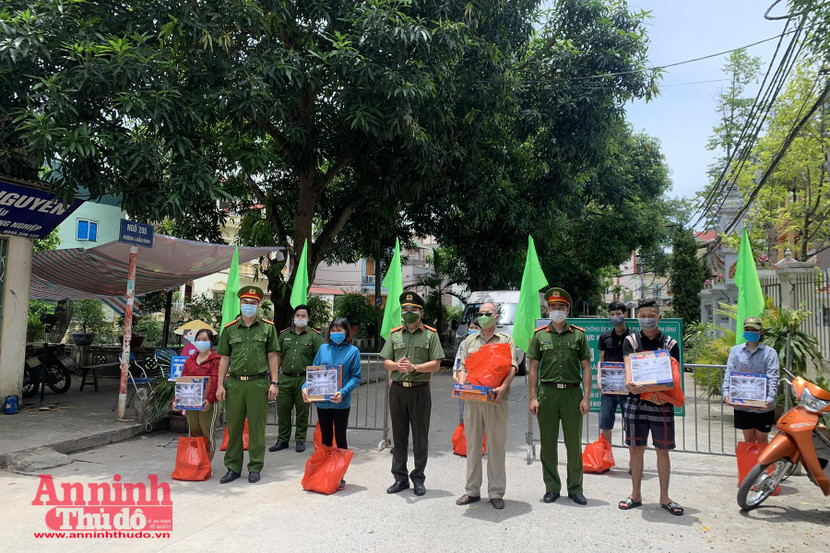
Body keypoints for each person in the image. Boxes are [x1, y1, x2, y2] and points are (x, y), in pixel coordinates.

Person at [618, 298, 683, 515]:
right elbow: (629, 373)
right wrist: (631, 385)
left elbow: (674, 377)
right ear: (638, 317)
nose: (647, 320)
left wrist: (661, 395)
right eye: (643, 316)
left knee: (662, 449)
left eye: (651, 316)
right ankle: (635, 494)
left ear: (659, 317)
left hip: (662, 404)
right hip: (635, 402)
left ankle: (665, 497)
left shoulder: (670, 344)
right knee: (636, 449)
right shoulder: (631, 341)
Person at [527, 287, 591, 506]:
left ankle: (575, 488)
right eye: (553, 307)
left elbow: (587, 368)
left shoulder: (578, 335)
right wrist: (533, 397)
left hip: (573, 393)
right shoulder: (539, 336)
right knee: (548, 443)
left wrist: (586, 397)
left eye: (560, 307)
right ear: (547, 309)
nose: (557, 310)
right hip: (548, 393)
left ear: (567, 308)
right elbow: (533, 368)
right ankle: (551, 487)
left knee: (574, 444)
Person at [380, 291, 444, 496]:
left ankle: (418, 478)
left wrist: (414, 367)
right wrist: (397, 365)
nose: (408, 312)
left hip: (420, 391)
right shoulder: (395, 334)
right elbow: (386, 361)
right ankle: (400, 478)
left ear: (421, 312)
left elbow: (436, 364)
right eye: (405, 309)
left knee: (420, 436)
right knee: (399, 437)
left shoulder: (430, 335)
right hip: (398, 390)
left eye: (413, 309)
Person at [455, 302, 518, 510]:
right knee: (472, 445)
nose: (483, 317)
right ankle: (472, 491)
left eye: (487, 314)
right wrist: (462, 382)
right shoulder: (469, 341)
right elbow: (463, 366)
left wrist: (503, 387)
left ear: (496, 316)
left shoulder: (506, 340)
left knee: (496, 446)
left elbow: (512, 366)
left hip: (495, 400)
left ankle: (496, 492)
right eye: (480, 314)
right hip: (473, 400)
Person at [215, 286, 280, 484]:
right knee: (233, 427)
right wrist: (220, 385)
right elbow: (224, 358)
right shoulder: (229, 328)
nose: (248, 306)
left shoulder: (268, 328)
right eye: (245, 302)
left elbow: (272, 356)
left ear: (258, 305)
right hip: (234, 384)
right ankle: (233, 467)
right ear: (240, 304)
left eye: (253, 303)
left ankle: (255, 466)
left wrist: (274, 383)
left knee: (257, 427)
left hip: (258, 383)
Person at [302, 317, 362, 490]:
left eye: (340, 330)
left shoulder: (353, 351)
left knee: (341, 437)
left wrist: (343, 392)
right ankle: (325, 471)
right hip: (322, 402)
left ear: (347, 332)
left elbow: (356, 377)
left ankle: (339, 474)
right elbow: (314, 371)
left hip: (340, 402)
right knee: (326, 438)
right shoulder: (323, 349)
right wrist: (305, 387)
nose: (336, 333)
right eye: (333, 330)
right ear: (329, 332)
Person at [270, 304, 324, 453]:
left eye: (303, 316)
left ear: (308, 318)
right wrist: (274, 378)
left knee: (302, 411)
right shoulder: (284, 334)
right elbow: (278, 356)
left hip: (304, 379)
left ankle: (300, 440)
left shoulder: (314, 336)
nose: (300, 318)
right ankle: (282, 439)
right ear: (293, 317)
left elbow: (319, 358)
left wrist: (315, 381)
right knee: (283, 410)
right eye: (298, 315)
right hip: (285, 378)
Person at [723, 316, 780, 444]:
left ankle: (763, 465)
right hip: (743, 407)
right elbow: (729, 373)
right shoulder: (736, 351)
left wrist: (770, 399)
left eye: (754, 329)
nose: (750, 332)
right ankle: (750, 465)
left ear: (761, 332)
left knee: (762, 440)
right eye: (747, 329)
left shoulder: (770, 353)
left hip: (763, 407)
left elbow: (773, 377)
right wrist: (726, 394)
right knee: (748, 441)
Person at [177, 328, 222, 460]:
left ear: (211, 342)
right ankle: (195, 462)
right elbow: (183, 380)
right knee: (194, 432)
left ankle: (207, 464)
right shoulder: (190, 360)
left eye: (204, 340)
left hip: (209, 403)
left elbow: (215, 380)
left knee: (207, 432)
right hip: (191, 403)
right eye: (198, 340)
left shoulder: (216, 360)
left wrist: (209, 399)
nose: (201, 342)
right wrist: (177, 400)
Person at [598, 301, 632, 444]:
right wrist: (599, 379)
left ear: (625, 314)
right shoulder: (604, 336)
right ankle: (606, 460)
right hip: (609, 390)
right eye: (612, 314)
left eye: (618, 314)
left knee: (631, 427)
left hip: (628, 389)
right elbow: (601, 360)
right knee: (606, 426)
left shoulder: (633, 337)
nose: (615, 317)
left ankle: (633, 465)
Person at [452, 320, 480, 423]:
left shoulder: (483, 343)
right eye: (471, 327)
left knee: (477, 418)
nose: (473, 330)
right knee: (463, 417)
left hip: (478, 386)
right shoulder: (464, 343)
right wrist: (456, 375)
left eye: (476, 328)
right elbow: (458, 361)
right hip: (464, 385)